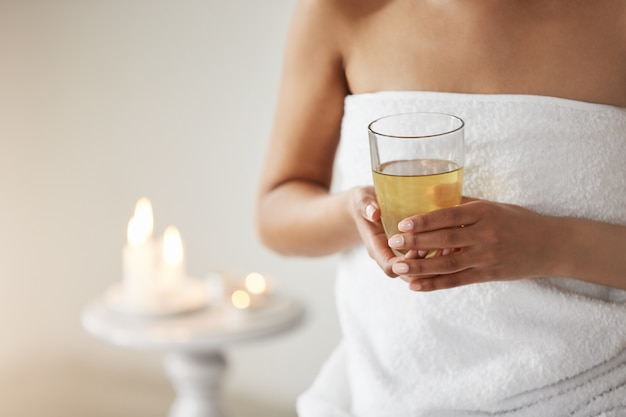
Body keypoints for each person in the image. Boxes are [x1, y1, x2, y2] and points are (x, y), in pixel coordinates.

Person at [255, 1, 626, 416]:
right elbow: (276, 209)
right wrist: (355, 212)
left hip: (592, 395)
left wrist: (552, 244)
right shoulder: (343, 12)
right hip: (386, 397)